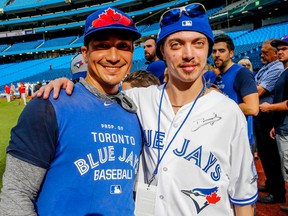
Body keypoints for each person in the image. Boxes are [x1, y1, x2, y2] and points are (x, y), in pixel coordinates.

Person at [34, 3, 258, 215]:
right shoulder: (137, 101)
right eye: (176, 44)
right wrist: (67, 85)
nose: (188, 54)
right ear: (162, 51)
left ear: (208, 48)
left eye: (198, 43)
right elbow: (96, 93)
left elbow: (243, 196)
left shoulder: (229, 112)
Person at [0, 7, 143, 216]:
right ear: (85, 54)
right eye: (102, 45)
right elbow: (16, 195)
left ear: (131, 54)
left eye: (123, 46)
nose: (113, 56)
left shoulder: (135, 111)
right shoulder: (50, 105)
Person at [212, 34, 259, 153]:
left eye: (221, 51)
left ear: (231, 53)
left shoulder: (241, 73)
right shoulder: (217, 75)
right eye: (214, 51)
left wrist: (221, 106)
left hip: (239, 139)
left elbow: (252, 108)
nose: (217, 54)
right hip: (222, 137)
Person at [254, 39, 286, 204]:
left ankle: (277, 192)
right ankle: (271, 184)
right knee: (265, 154)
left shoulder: (278, 68)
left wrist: (255, 88)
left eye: (265, 52)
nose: (262, 55)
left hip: (269, 116)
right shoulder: (269, 68)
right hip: (263, 115)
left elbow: (257, 91)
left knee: (272, 155)